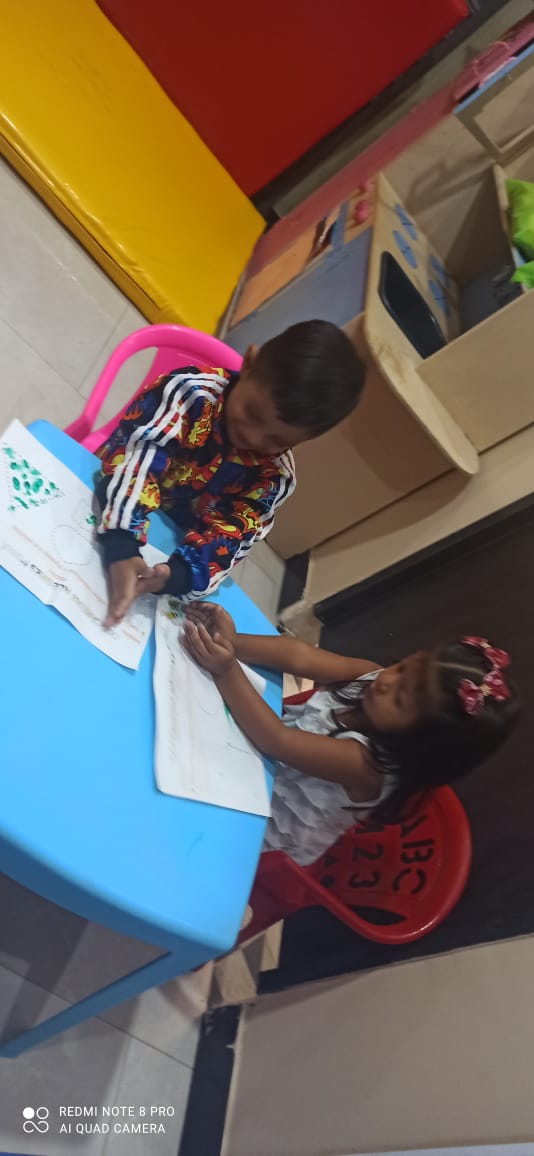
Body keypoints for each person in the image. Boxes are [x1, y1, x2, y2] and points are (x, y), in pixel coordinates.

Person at [182, 604, 520, 865]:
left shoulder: (366, 764)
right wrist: (233, 642)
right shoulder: (373, 677)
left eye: (400, 699)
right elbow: (300, 656)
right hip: (259, 764)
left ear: (419, 741)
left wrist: (226, 669)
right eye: (403, 667)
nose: (387, 682)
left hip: (260, 827)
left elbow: (276, 741)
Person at [95, 320, 364, 626]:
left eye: (277, 440)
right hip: (112, 501)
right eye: (252, 413)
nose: (253, 437)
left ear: (304, 441)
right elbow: (137, 464)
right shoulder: (190, 394)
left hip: (167, 546)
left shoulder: (275, 478)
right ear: (248, 364)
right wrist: (122, 543)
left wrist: (175, 575)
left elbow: (231, 541)